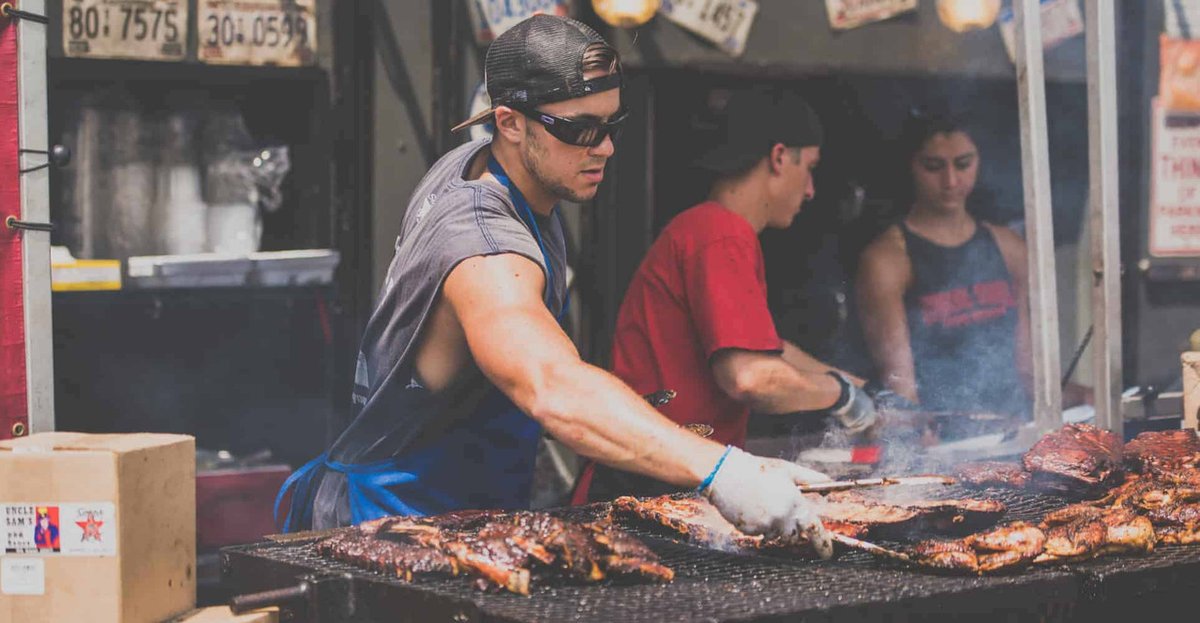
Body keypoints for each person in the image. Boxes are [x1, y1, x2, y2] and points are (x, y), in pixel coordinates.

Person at [276, 15, 834, 556]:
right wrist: (722, 469)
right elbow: (552, 385)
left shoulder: (486, 163)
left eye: (611, 125)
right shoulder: (484, 244)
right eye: (580, 129)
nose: (605, 148)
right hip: (394, 527)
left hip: (463, 517)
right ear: (510, 122)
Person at [575, 88, 881, 503]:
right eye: (809, 168)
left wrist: (868, 388)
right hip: (650, 486)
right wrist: (843, 397)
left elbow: (770, 350)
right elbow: (751, 377)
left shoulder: (710, 230)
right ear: (778, 157)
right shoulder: (721, 234)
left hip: (663, 476)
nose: (810, 190)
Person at [856, 111, 1035, 424]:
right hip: (941, 440)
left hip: (1015, 427)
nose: (951, 181)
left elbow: (1028, 367)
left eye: (963, 164)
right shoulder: (887, 259)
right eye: (933, 167)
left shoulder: (1010, 248)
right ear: (911, 165)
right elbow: (900, 387)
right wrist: (919, 437)